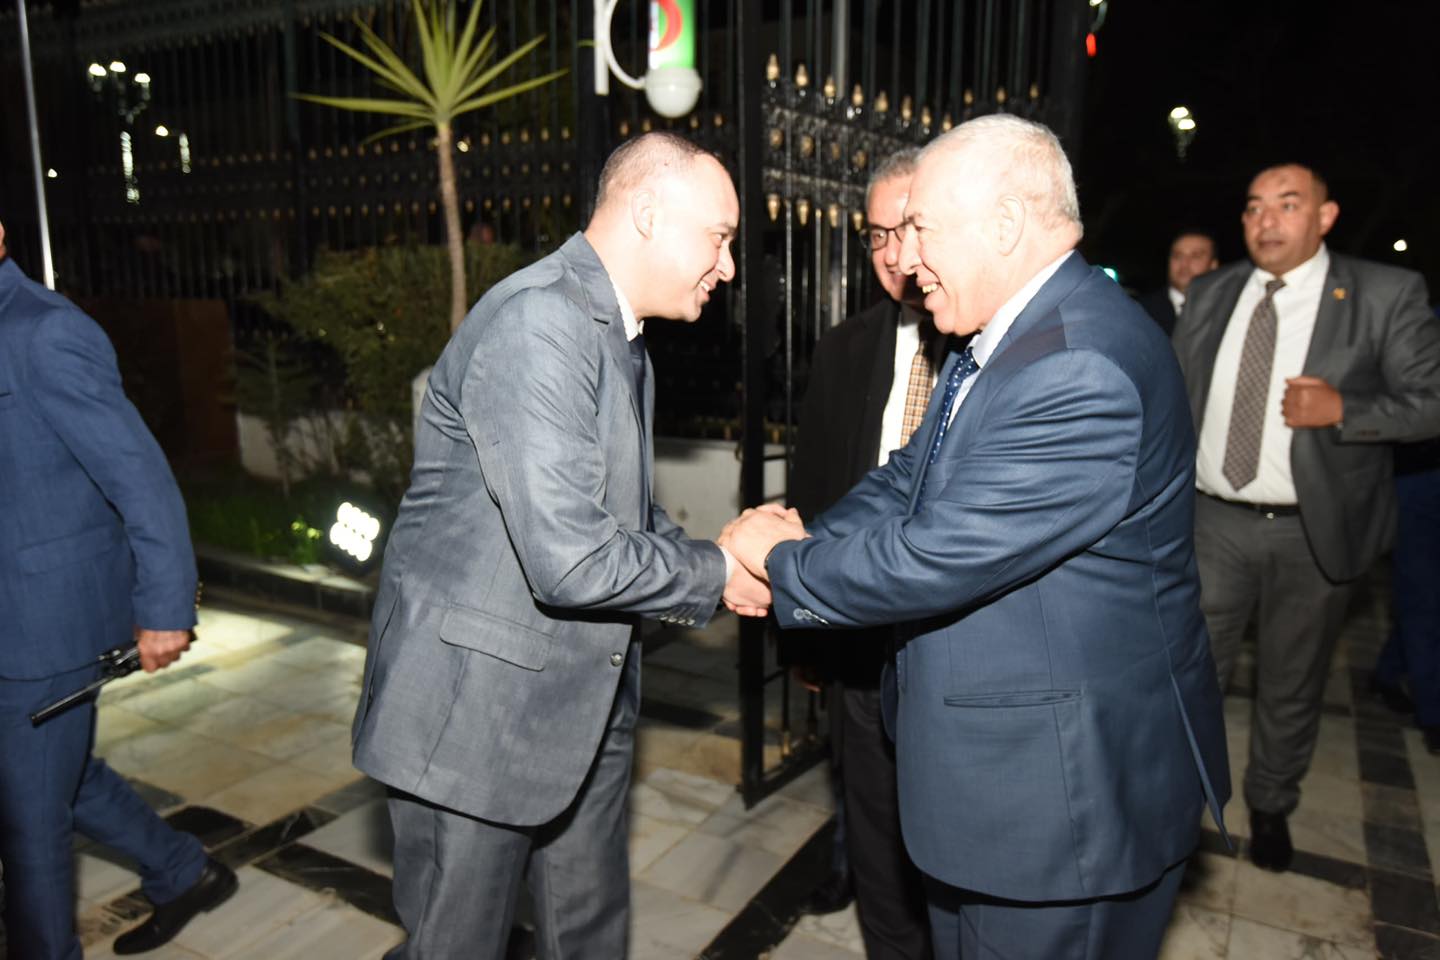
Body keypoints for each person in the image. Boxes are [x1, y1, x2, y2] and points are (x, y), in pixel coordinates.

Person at [720, 115, 1229, 960]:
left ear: (1005, 224)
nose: (906, 260)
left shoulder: (1078, 363)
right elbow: (904, 480)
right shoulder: (1001, 337)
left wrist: (778, 561)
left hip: (1060, 808)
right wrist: (804, 536)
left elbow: (938, 552)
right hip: (1001, 791)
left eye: (922, 229)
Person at [351, 132, 766, 959]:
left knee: (588, 938)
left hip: (583, 700)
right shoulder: (540, 321)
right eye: (719, 238)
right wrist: (719, 569)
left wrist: (725, 563)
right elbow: (572, 558)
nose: (727, 267)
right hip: (475, 715)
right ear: (648, 213)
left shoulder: (618, 333)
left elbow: (623, 513)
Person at [1171, 163, 1440, 871]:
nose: (1266, 221)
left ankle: (1271, 802)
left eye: (1288, 205)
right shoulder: (1213, 291)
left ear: (1325, 217)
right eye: (1254, 207)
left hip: (1311, 530)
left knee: (1291, 682)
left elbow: (1431, 402)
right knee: (1190, 672)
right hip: (1212, 520)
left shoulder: (1383, 293)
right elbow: (1173, 389)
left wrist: (1346, 409)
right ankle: (1175, 804)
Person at [0, 220, 237, 959]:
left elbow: (139, 475)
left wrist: (165, 608)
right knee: (51, 775)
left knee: (29, 822)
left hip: (42, 627)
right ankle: (183, 871)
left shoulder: (43, 332)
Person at [783, 148, 937, 957]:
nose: (892, 253)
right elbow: (815, 489)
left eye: (908, 227)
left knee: (941, 838)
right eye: (877, 234)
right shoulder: (845, 346)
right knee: (869, 814)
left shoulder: (991, 348)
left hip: (950, 635)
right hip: (855, 632)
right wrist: (806, 630)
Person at [1372, 436, 1440, 753]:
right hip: (1417, 474)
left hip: (1419, 473)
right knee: (1421, 596)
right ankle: (1433, 713)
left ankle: (1388, 672)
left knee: (1422, 598)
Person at [1137, 230, 1218, 336]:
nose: (1184, 264)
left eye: (1196, 256)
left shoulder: (1227, 310)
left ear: (1213, 265)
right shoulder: (1141, 311)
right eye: (1177, 256)